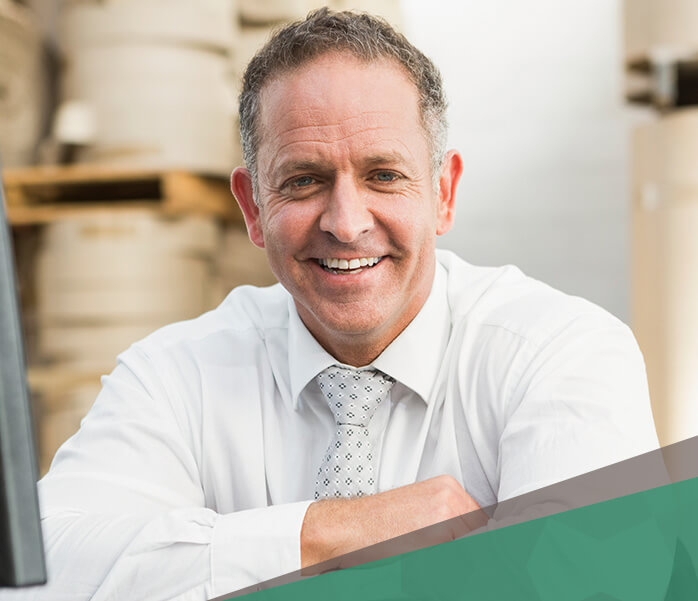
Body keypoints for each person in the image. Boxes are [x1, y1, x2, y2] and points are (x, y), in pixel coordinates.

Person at [2, 8, 659, 601]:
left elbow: (594, 587)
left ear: (444, 193)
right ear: (253, 208)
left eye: (383, 175)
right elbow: (47, 568)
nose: (345, 223)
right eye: (304, 180)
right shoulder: (175, 374)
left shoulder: (561, 353)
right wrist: (323, 534)